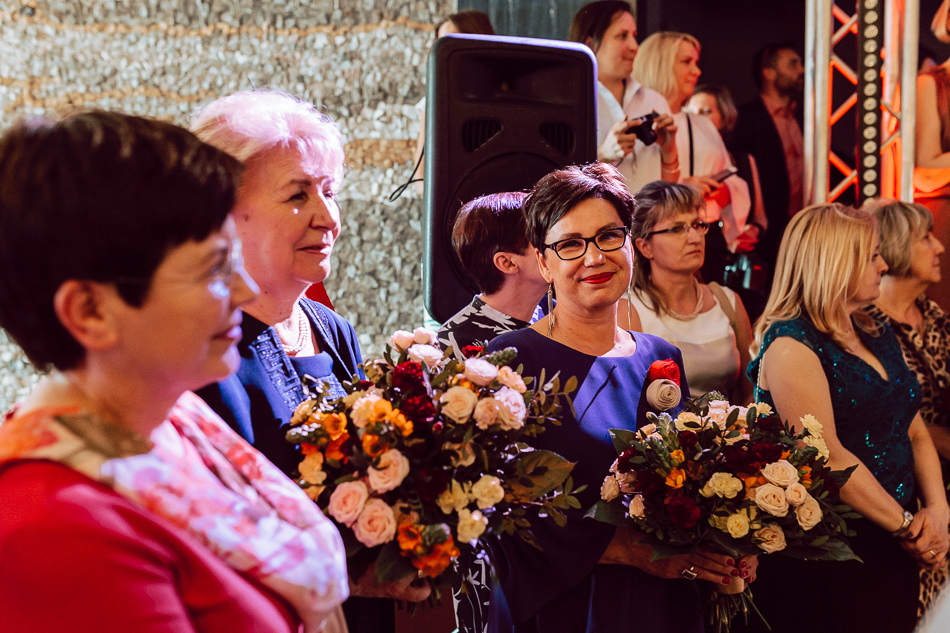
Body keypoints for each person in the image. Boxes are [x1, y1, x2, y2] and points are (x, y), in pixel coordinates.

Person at [0, 111, 349, 632]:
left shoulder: (173, 421)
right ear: (90, 312)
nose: (244, 291)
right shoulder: (54, 526)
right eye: (214, 268)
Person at [190, 89, 429, 633]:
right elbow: (212, 531)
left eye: (330, 191)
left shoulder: (332, 329)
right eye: (298, 195)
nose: (328, 217)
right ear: (223, 212)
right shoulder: (202, 347)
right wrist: (349, 575)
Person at [485, 162, 753, 633]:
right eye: (571, 244)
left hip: (662, 604)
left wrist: (726, 537)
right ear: (544, 263)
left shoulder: (659, 356)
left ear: (630, 245)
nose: (595, 257)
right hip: (568, 608)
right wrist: (628, 551)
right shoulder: (511, 360)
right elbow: (497, 508)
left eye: (609, 236)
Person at [741, 203, 950, 633]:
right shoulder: (790, 344)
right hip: (833, 548)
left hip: (893, 534)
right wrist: (908, 528)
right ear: (835, 263)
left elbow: (913, 428)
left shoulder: (873, 327)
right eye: (872, 256)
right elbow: (828, 457)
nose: (884, 265)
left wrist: (937, 508)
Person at [863, 199, 950, 614]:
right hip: (900, 499)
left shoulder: (938, 319)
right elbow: (883, 419)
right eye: (926, 238)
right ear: (895, 247)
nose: (940, 247)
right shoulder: (864, 327)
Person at [633, 31, 753, 287]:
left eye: (696, 62)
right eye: (686, 62)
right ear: (660, 64)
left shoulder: (703, 124)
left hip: (707, 235)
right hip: (658, 240)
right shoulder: (635, 124)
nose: (696, 71)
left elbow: (733, 182)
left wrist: (720, 191)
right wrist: (683, 188)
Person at [619, 181, 754, 404]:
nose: (695, 237)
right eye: (676, 228)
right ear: (645, 247)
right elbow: (624, 401)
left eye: (697, 225)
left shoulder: (727, 301)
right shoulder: (630, 312)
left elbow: (751, 391)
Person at [567, 1, 683, 195]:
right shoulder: (571, 104)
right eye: (622, 36)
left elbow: (668, 189)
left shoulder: (655, 101)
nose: (634, 46)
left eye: (634, 36)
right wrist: (603, 155)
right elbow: (553, 182)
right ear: (589, 44)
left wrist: (668, 150)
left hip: (650, 215)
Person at [687, 83, 770, 321]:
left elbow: (761, 216)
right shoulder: (686, 164)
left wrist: (754, 231)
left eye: (705, 111)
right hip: (704, 259)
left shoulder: (743, 160)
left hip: (737, 266)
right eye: (691, 112)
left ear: (725, 117)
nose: (697, 118)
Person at [439, 192, 548, 356]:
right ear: (507, 263)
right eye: (541, 238)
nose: (558, 245)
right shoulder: (452, 345)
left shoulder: (556, 311)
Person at [731, 43, 805, 278]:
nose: (802, 70)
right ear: (768, 73)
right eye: (793, 64)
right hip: (767, 233)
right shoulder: (746, 119)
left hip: (805, 227)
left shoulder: (806, 117)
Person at [412, 10, 495, 195]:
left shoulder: (510, 95)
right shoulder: (432, 101)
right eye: (441, 44)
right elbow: (420, 176)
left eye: (452, 42)